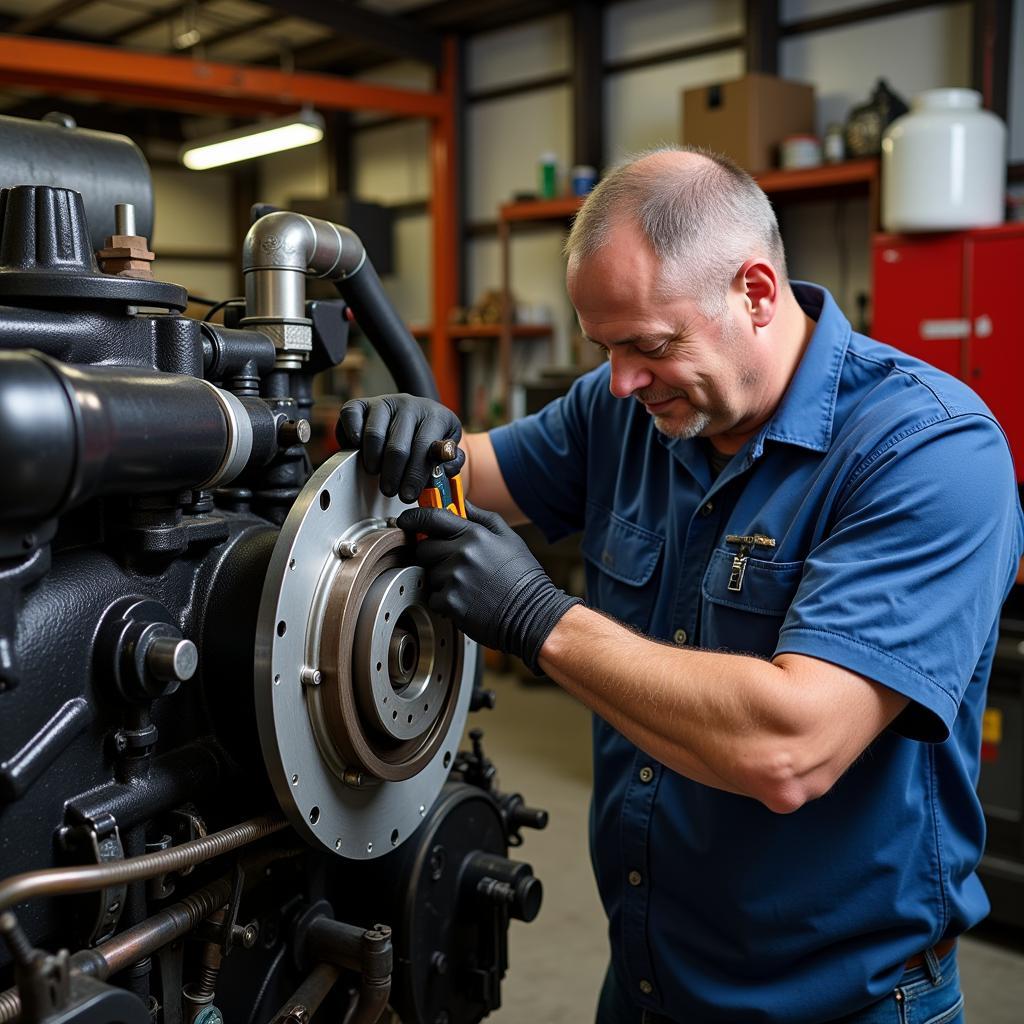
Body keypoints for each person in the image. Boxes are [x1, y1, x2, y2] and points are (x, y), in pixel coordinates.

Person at [337, 147, 1023, 1024]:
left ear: (757, 292)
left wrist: (537, 616)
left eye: (650, 346)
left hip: (843, 1004)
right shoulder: (625, 408)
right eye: (606, 348)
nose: (622, 381)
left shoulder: (928, 453)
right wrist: (416, 444)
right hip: (650, 985)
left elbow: (790, 747)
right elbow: (469, 473)